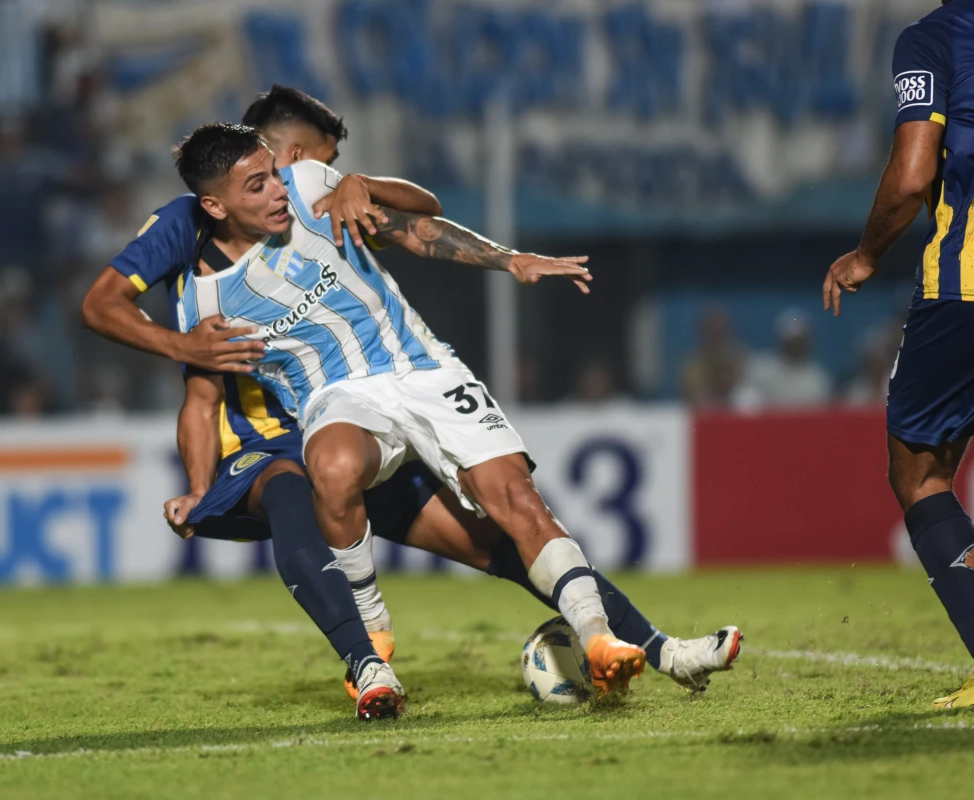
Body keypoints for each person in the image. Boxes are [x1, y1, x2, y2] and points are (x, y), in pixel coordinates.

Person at [84, 88, 740, 719]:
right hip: (281, 438)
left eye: (317, 166)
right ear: (271, 158)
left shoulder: (315, 196)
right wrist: (196, 473)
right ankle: (368, 660)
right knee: (297, 491)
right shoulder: (191, 256)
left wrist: (491, 250)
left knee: (509, 541)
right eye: (313, 157)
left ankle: (655, 649)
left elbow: (416, 218)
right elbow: (178, 372)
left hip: (390, 405)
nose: (311, 172)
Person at [171, 122, 648, 719]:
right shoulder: (204, 301)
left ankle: (600, 640)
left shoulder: (312, 183)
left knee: (516, 501)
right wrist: (196, 488)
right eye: (256, 184)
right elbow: (201, 400)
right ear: (214, 205)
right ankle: (372, 628)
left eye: (273, 172)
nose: (277, 191)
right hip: (337, 394)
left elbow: (418, 228)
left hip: (424, 370)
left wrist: (509, 260)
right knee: (333, 466)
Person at [822, 0, 974, 710]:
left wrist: (865, 255)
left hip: (966, 288)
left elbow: (915, 174)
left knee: (920, 473)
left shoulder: (935, 37)